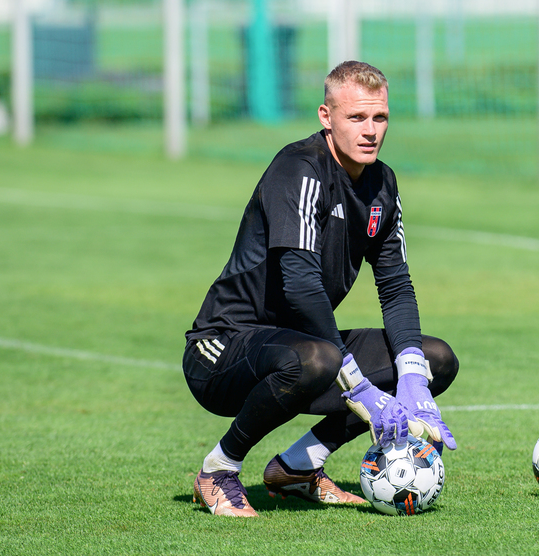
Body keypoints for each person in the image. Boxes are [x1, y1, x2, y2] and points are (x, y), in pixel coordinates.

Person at [183, 61, 459, 517]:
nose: (370, 131)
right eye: (356, 117)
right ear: (326, 117)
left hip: (306, 346)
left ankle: (297, 467)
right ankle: (219, 470)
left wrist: (412, 379)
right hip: (222, 350)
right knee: (321, 358)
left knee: (434, 359)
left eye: (380, 117)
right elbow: (300, 284)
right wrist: (358, 384)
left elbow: (395, 285)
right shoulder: (299, 169)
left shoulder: (382, 184)